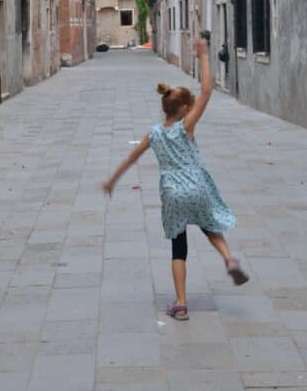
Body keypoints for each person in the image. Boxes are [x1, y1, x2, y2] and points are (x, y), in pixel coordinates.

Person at [103, 37, 248, 321]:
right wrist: (203, 55)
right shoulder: (186, 128)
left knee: (178, 246)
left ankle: (181, 304)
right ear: (184, 110)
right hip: (197, 187)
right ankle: (228, 258)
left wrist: (112, 180)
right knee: (211, 227)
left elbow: (132, 158)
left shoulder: (155, 134)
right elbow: (207, 91)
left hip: (172, 193)